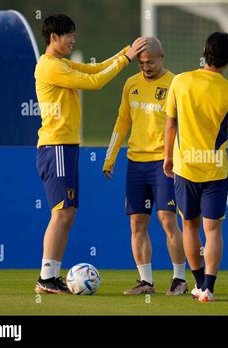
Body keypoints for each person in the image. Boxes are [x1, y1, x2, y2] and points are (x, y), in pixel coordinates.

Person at [34, 13, 147, 294]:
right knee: (61, 213)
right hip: (56, 146)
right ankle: (45, 279)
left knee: (67, 213)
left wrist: (124, 52)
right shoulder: (49, 66)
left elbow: (92, 70)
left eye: (74, 34)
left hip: (66, 146)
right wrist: (128, 59)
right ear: (53, 38)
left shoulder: (59, 63)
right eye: (68, 35)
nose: (73, 39)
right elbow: (96, 83)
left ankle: (51, 276)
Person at [103, 37, 188, 295]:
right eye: (141, 63)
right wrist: (110, 157)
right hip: (135, 163)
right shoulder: (131, 84)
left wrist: (180, 158)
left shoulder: (175, 84)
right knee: (137, 223)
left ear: (162, 57)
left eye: (150, 62)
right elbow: (122, 122)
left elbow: (184, 126)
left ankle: (180, 279)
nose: (146, 67)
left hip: (164, 164)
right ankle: (146, 282)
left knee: (166, 219)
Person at [163, 32, 228, 302]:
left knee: (189, 226)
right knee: (213, 230)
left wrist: (167, 158)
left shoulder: (180, 81)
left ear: (204, 52)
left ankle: (198, 284)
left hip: (185, 169)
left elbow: (170, 124)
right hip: (216, 171)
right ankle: (208, 287)